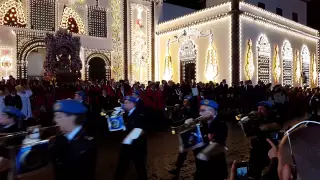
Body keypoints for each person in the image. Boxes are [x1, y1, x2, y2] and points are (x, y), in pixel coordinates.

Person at [51, 99, 96, 180]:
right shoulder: (61, 138)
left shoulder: (87, 143)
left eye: (59, 116)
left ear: (73, 117)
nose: (55, 120)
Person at [114, 96, 148, 180]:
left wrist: (127, 140)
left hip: (137, 145)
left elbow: (141, 129)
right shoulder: (125, 113)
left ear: (132, 104)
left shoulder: (139, 114)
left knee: (140, 167)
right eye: (124, 103)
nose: (123, 105)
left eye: (126, 103)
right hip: (128, 145)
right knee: (122, 165)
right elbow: (117, 127)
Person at [194, 99, 228, 180]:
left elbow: (214, 141)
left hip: (216, 166)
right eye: (200, 110)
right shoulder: (202, 124)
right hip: (202, 168)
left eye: (203, 111)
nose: (200, 114)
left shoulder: (220, 124)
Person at [0, 106, 25, 179]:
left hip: (9, 161)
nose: (0, 116)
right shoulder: (2, 127)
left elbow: (13, 151)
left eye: (3, 115)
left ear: (11, 118)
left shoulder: (17, 132)